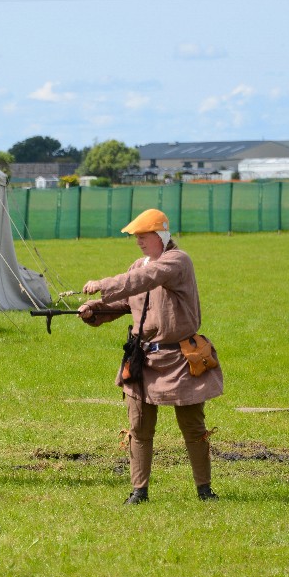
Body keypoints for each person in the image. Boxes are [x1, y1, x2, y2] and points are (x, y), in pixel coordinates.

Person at [78, 209, 224, 504]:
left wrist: (103, 284)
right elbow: (127, 299)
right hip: (142, 359)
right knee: (139, 428)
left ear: (160, 236)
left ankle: (205, 491)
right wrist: (96, 309)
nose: (139, 242)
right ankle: (138, 491)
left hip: (181, 360)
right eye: (137, 238)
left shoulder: (177, 261)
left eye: (143, 237)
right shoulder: (138, 264)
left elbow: (146, 278)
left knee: (193, 429)